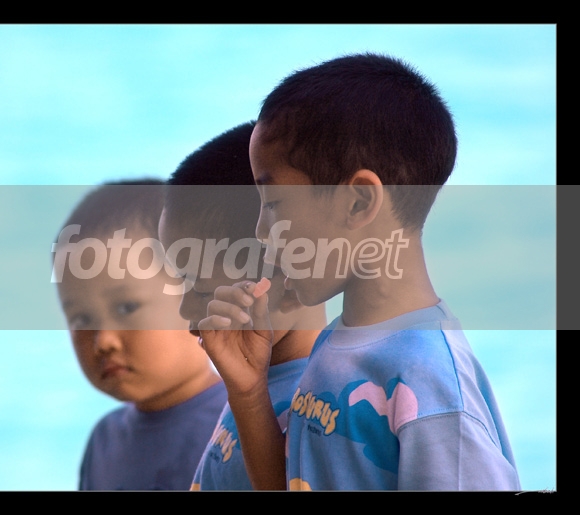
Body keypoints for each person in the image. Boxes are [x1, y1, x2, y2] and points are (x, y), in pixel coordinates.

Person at [198, 53, 521, 490]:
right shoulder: (338, 341)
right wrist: (248, 392)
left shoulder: (430, 383)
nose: (260, 231)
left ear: (359, 202)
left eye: (272, 204)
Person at [158, 121, 326, 490]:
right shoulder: (255, 384)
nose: (185, 310)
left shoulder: (318, 412)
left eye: (202, 290)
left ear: (291, 286)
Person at [53, 179, 227, 490]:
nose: (104, 341)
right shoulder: (104, 441)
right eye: (81, 318)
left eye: (126, 307)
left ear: (198, 294)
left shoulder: (242, 425)